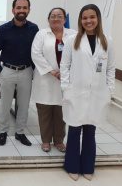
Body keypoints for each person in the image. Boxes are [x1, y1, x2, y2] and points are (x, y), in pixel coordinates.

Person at [60, 4, 115, 181]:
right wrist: (66, 88)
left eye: (92, 17)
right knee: (74, 130)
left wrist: (109, 89)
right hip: (76, 92)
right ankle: (72, 166)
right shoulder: (72, 40)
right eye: (85, 18)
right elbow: (64, 66)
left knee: (90, 131)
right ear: (80, 20)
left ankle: (88, 166)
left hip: (97, 94)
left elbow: (111, 68)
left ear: (98, 19)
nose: (88, 21)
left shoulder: (107, 41)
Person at [0, 0, 39, 146]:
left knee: (24, 105)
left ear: (29, 10)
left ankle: (20, 133)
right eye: (19, 8)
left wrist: (33, 70)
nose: (21, 10)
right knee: (5, 105)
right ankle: (3, 132)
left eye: (25, 8)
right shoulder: (3, 29)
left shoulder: (34, 29)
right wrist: (1, 71)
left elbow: (37, 52)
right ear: (13, 10)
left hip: (26, 71)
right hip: (8, 71)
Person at [31, 8, 76, 152]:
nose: (56, 18)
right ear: (48, 19)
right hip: (45, 80)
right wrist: (53, 72)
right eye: (53, 16)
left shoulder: (73, 34)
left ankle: (59, 140)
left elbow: (78, 54)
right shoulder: (41, 34)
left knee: (61, 113)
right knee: (44, 112)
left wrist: (65, 72)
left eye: (59, 16)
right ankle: (45, 141)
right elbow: (36, 54)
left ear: (64, 19)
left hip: (66, 80)